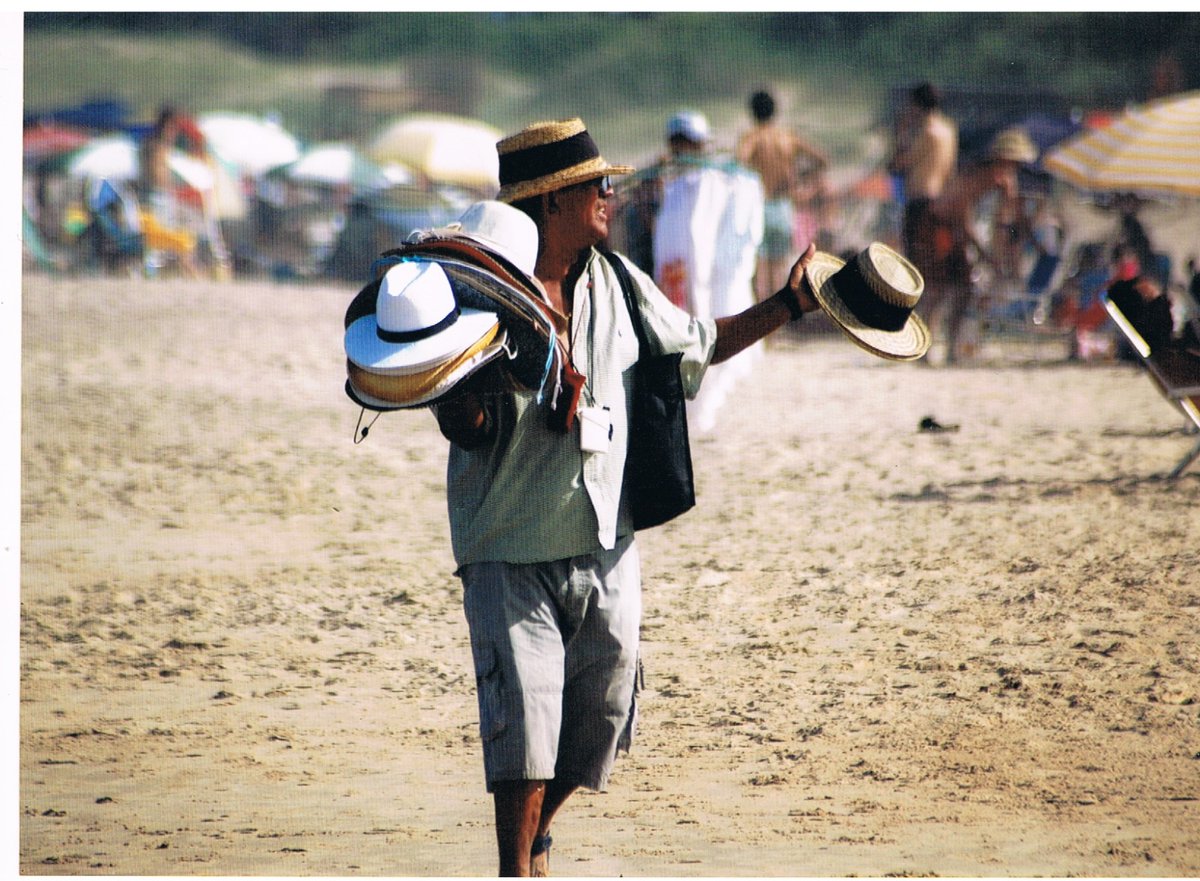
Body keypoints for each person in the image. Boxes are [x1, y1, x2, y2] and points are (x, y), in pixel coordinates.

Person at [432, 118, 821, 877]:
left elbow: (698, 344)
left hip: (607, 539)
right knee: (525, 728)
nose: (612, 194)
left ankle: (537, 833)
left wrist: (790, 303)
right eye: (594, 186)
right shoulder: (477, 291)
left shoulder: (616, 281)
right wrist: (475, 398)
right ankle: (516, 868)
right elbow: (459, 417)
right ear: (550, 203)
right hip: (508, 546)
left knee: (603, 717)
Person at [910, 126, 1038, 364]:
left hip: (955, 228)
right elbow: (962, 219)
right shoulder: (977, 176)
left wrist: (1010, 251)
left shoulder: (1004, 181)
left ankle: (951, 349)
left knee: (963, 290)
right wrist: (984, 255)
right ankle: (924, 350)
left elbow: (1008, 219)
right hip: (938, 226)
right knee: (938, 290)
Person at [736, 90, 829, 302]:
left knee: (759, 270)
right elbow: (822, 160)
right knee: (779, 270)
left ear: (752, 112)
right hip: (784, 208)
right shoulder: (788, 137)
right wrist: (801, 180)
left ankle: (763, 327)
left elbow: (739, 163)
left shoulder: (752, 138)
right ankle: (777, 323)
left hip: (759, 207)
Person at [888, 82, 958, 262]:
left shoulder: (927, 132)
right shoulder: (949, 130)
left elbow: (899, 163)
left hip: (920, 200)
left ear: (916, 105)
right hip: (942, 199)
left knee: (916, 259)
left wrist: (901, 133)